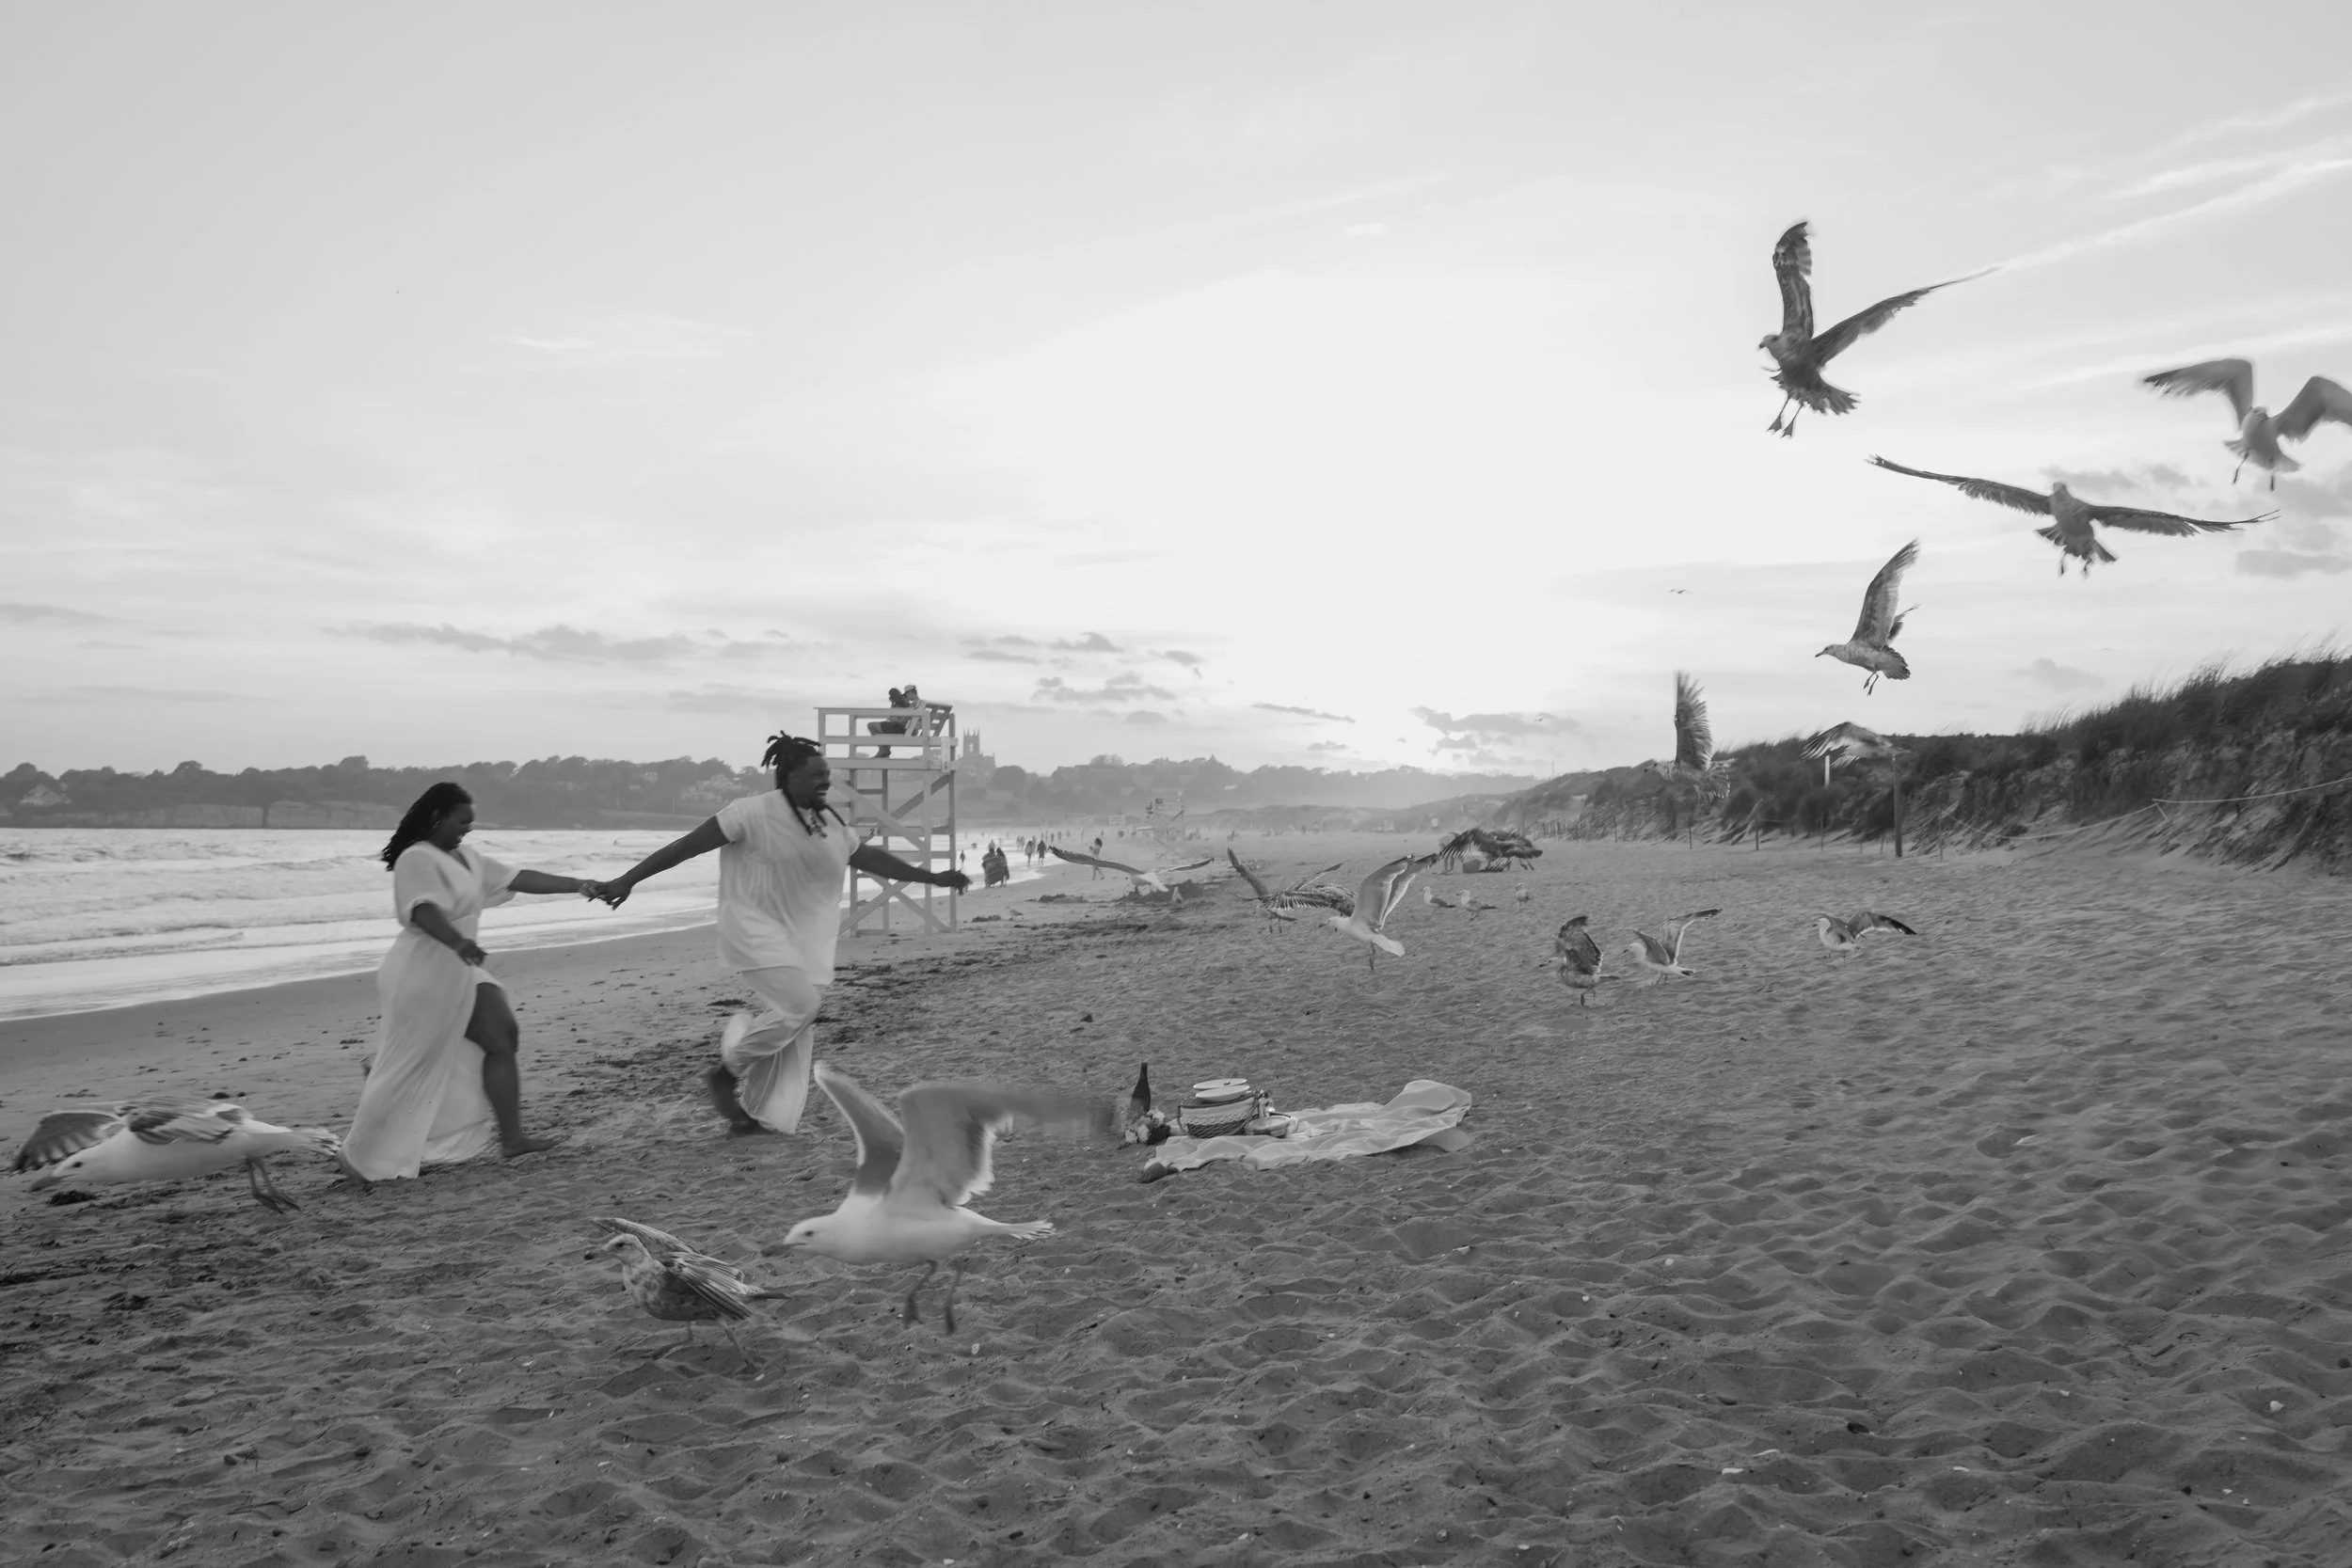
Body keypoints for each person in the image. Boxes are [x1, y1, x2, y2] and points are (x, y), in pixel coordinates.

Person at [592, 732, 969, 1135]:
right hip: (752, 930)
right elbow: (683, 848)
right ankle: (724, 1074)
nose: (825, 782)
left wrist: (932, 877)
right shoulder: (749, 813)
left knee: (793, 1025)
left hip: (800, 939)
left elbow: (869, 857)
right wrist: (627, 880)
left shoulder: (827, 821)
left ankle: (754, 1108)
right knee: (800, 1008)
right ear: (787, 776)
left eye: (828, 775)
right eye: (815, 775)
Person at [344, 783, 587, 1180]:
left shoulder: (467, 858)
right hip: (423, 969)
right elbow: (420, 909)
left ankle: (512, 1139)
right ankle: (368, 1152)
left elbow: (519, 877)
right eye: (463, 820)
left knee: (501, 1034)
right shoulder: (416, 858)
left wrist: (579, 885)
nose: (468, 828)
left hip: (460, 965)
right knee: (414, 1060)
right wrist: (458, 942)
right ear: (437, 817)